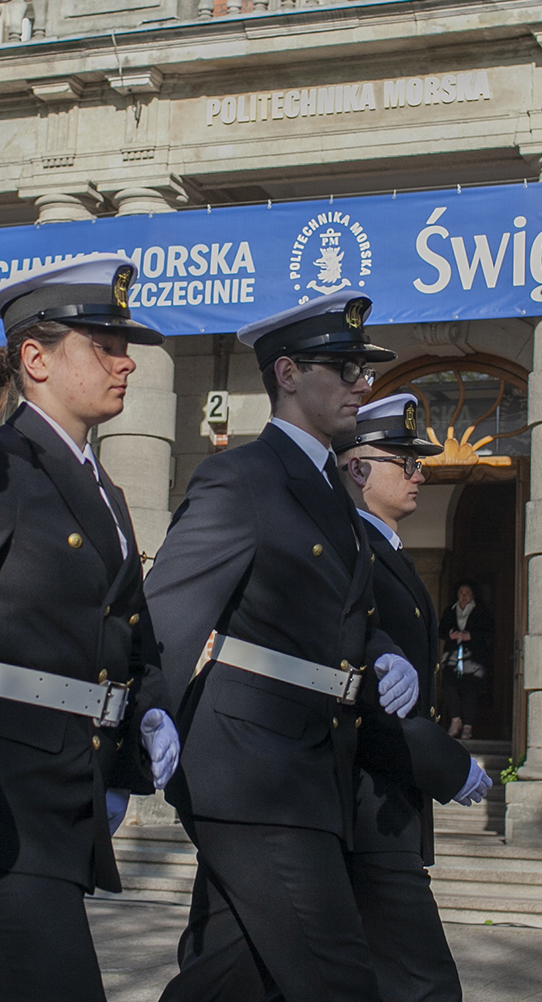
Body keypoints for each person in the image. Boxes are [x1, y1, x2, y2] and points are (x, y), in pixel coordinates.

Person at [0, 253, 180, 1002]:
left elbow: (130, 633)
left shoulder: (109, 492)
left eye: (125, 348)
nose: (126, 365)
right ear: (35, 357)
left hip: (56, 805)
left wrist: (148, 709)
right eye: (105, 346)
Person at [147, 290, 420, 1002]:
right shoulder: (239, 477)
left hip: (307, 771)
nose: (363, 383)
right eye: (345, 367)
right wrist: (139, 727)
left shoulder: (334, 485)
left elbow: (346, 606)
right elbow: (169, 613)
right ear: (290, 372)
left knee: (228, 978)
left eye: (364, 368)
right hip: (252, 774)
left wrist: (383, 649)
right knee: (340, 979)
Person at [337, 393, 490, 1002]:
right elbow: (371, 704)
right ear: (357, 468)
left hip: (388, 797)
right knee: (423, 984)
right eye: (405, 460)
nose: (420, 472)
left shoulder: (385, 552)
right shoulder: (352, 554)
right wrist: (447, 763)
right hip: (367, 798)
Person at [435, 585, 492, 740]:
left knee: (470, 691)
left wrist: (471, 636)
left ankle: (468, 726)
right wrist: (451, 635)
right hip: (452, 656)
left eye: (467, 593)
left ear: (473, 595)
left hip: (473, 658)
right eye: (460, 592)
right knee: (448, 686)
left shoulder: (481, 611)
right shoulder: (450, 610)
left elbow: (488, 632)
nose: (463, 596)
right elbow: (440, 631)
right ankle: (456, 720)